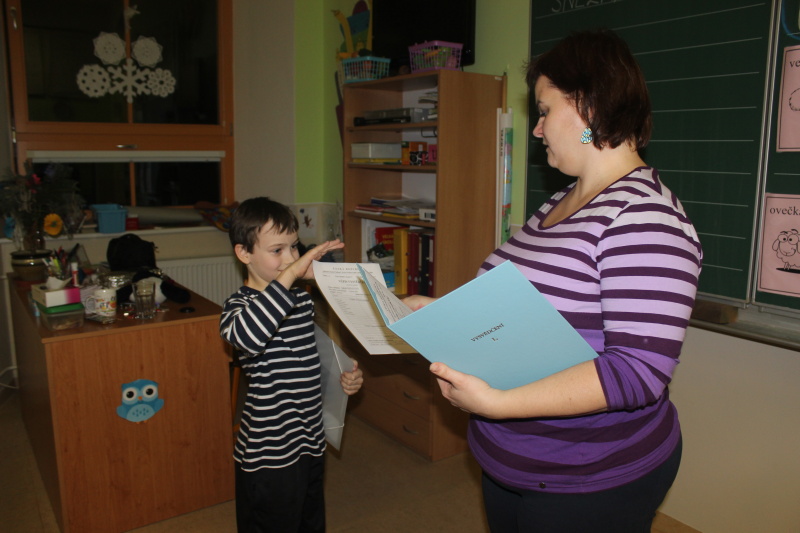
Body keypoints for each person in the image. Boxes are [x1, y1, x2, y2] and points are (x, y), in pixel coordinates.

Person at [404, 29, 702, 532]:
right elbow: (531, 306)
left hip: (588, 475)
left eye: (544, 111)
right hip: (510, 457)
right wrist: (444, 314)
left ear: (588, 105)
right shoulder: (560, 202)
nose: (538, 129)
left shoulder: (644, 218)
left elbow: (638, 372)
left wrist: (499, 403)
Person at [219, 196, 364, 533]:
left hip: (309, 439)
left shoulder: (299, 300)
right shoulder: (238, 307)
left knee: (309, 520)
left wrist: (344, 377)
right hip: (269, 454)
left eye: (294, 247)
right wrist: (291, 275)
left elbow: (308, 358)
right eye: (277, 250)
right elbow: (247, 337)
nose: (290, 259)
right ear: (244, 253)